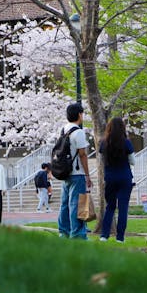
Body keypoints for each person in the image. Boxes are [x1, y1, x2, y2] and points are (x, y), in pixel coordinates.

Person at [57, 102, 92, 239]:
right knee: (77, 204)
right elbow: (82, 154)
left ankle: (64, 231)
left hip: (65, 172)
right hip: (77, 173)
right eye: (82, 113)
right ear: (79, 114)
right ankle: (78, 234)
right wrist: (87, 175)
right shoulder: (78, 132)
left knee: (65, 204)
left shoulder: (63, 130)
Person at [98, 117, 135, 243]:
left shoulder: (104, 143)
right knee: (123, 208)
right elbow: (133, 161)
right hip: (125, 177)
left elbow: (102, 160)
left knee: (110, 207)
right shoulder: (126, 142)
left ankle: (104, 235)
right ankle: (120, 237)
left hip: (110, 177)